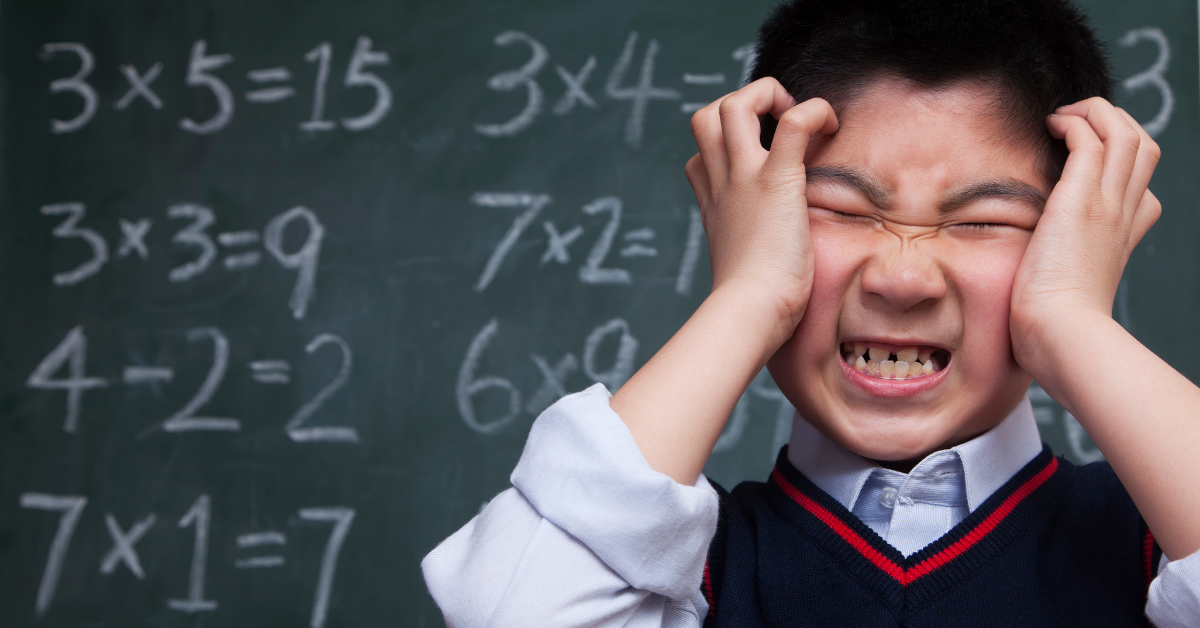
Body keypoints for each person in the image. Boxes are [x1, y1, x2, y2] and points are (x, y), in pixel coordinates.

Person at [423, 0, 1200, 625]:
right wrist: (749, 294)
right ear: (756, 223)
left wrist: (1072, 319)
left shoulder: (1149, 546)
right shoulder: (684, 576)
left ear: (1078, 235)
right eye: (840, 207)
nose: (903, 277)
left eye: (983, 222)